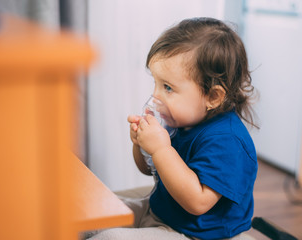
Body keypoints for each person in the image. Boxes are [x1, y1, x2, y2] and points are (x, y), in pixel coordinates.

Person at [87, 17, 258, 240]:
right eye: (156, 83)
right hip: (160, 210)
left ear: (213, 96)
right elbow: (148, 169)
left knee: (110, 238)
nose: (156, 95)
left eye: (168, 87)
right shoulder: (181, 120)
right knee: (89, 214)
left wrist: (160, 150)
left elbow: (197, 202)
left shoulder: (228, 141)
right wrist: (140, 144)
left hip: (194, 232)